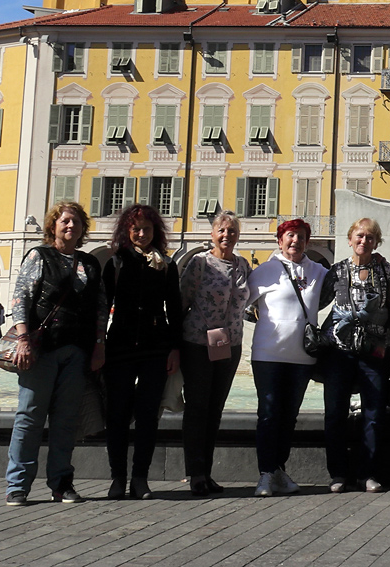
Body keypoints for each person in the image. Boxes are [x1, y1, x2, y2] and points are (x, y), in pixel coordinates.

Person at [4, 201, 105, 506]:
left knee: (65, 421)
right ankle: (18, 485)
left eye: (76, 222)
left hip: (76, 351)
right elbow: (21, 297)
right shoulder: (39, 256)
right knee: (30, 417)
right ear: (53, 226)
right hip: (41, 350)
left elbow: (100, 309)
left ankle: (61, 483)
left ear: (83, 228)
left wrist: (100, 345)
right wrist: (23, 339)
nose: (70, 226)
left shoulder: (90, 264)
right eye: (64, 221)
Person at [101, 204, 183, 500]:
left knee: (148, 415)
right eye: (135, 228)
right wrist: (99, 345)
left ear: (155, 231)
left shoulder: (166, 264)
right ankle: (117, 477)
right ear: (126, 231)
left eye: (146, 228)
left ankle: (140, 478)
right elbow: (102, 307)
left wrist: (175, 348)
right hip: (120, 345)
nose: (141, 233)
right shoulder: (116, 263)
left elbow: (174, 309)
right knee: (117, 415)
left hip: (154, 346)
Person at [246, 218, 329, 496]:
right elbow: (237, 303)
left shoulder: (319, 271)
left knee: (289, 416)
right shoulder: (265, 271)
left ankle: (278, 469)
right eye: (290, 236)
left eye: (301, 237)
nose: (295, 241)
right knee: (268, 414)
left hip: (302, 357)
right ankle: (266, 474)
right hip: (268, 354)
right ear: (280, 240)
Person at [321, 217, 390, 494]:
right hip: (339, 352)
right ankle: (338, 474)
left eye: (370, 237)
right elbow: (316, 301)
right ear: (350, 238)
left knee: (374, 414)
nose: (364, 241)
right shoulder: (338, 270)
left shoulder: (384, 271)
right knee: (335, 414)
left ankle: (368, 474)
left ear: (376, 242)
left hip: (374, 352)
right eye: (360, 236)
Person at [179, 210, 250, 497]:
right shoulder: (199, 263)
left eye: (232, 231)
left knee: (215, 410)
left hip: (229, 346)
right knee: (197, 409)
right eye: (221, 230)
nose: (226, 235)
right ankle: (195, 473)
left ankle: (206, 472)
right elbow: (181, 300)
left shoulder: (244, 264)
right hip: (197, 343)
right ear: (212, 234)